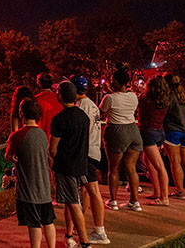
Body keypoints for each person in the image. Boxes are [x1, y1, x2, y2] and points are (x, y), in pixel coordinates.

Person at [7, 97, 56, 248]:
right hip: (44, 187)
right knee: (48, 221)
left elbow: (9, 155)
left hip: (28, 189)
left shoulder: (17, 136)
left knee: (34, 223)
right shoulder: (42, 134)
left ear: (21, 113)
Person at [50, 81, 91, 248]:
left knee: (73, 203)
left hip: (66, 166)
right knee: (71, 200)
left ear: (59, 96)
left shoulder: (59, 119)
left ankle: (85, 242)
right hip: (81, 164)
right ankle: (69, 235)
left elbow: (52, 148)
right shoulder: (83, 117)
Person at [72, 76, 109, 245]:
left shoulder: (81, 108)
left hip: (86, 153)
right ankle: (86, 224)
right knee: (87, 191)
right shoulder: (92, 105)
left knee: (93, 191)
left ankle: (100, 231)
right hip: (94, 149)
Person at [99, 65, 142, 211]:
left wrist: (107, 93)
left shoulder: (109, 98)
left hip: (116, 130)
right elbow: (121, 98)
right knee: (131, 168)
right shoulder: (133, 96)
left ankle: (113, 200)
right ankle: (134, 201)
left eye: (113, 81)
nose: (111, 83)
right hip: (133, 130)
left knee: (114, 168)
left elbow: (101, 112)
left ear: (117, 81)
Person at [137, 75, 171, 206]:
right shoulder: (164, 101)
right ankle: (157, 192)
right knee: (149, 162)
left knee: (159, 166)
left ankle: (164, 198)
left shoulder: (146, 100)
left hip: (148, 132)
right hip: (159, 131)